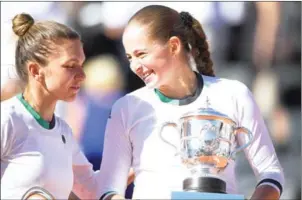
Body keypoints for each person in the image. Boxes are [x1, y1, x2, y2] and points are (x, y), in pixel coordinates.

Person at [97, 5, 285, 200]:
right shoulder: (126, 107)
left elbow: (270, 173)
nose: (135, 66)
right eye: (129, 57)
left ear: (173, 46)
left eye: (141, 54)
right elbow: (108, 190)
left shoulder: (234, 94)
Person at [1, 13, 99, 199]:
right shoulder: (7, 119)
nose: (82, 75)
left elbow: (92, 188)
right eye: (71, 65)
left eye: (82, 64)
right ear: (36, 71)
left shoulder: (63, 131)